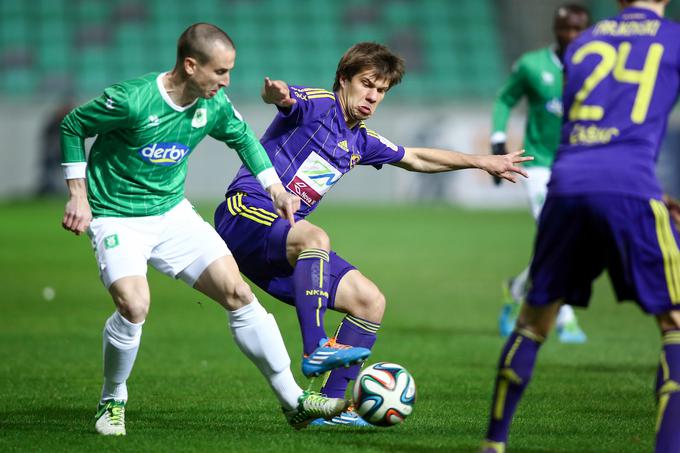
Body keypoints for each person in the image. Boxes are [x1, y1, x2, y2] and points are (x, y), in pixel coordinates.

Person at [213, 42, 532, 426]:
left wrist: (481, 161)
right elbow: (284, 99)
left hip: (283, 245)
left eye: (381, 91)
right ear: (343, 80)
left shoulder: (361, 141)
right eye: (367, 84)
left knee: (369, 300)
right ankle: (315, 345)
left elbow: (415, 157)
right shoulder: (318, 104)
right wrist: (275, 94)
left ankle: (327, 410)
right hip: (245, 213)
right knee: (315, 238)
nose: (373, 96)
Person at [59, 23, 349, 436]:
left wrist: (276, 190)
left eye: (229, 72)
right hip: (117, 214)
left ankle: (295, 401)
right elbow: (73, 126)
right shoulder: (132, 100)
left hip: (172, 213)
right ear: (191, 65)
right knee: (134, 305)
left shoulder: (212, 105)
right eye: (220, 72)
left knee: (238, 292)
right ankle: (113, 399)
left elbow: (244, 137)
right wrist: (78, 194)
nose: (226, 81)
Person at [480, 1, 680, 451]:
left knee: (532, 321)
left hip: (568, 182)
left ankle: (492, 444)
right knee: (674, 322)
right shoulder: (672, 39)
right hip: (629, 183)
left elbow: (581, 124)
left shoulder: (586, 43)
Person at [491, 3, 590, 343]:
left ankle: (515, 290)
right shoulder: (533, 66)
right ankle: (565, 317)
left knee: (567, 243)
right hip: (540, 166)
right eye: (566, 30)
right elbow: (505, 99)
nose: (572, 37)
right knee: (558, 238)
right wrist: (498, 139)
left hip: (578, 166)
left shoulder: (597, 66)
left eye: (579, 30)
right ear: (556, 31)